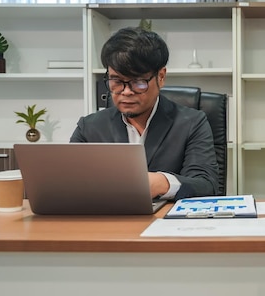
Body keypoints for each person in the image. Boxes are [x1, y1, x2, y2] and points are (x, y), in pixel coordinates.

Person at [70, 26, 219, 201]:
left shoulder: (192, 122)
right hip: (105, 222)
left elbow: (206, 184)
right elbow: (67, 182)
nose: (126, 92)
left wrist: (162, 183)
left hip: (165, 224)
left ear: (161, 77)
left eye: (138, 82)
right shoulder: (89, 127)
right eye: (116, 81)